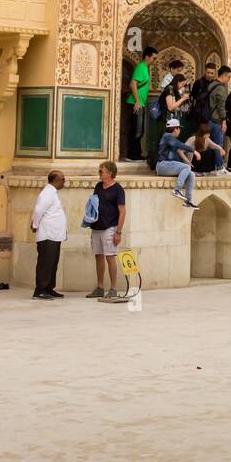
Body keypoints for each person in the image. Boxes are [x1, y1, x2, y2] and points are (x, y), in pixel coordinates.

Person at [86, 161, 127, 300]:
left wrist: (118, 232)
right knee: (98, 256)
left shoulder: (118, 189)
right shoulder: (98, 186)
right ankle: (100, 287)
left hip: (110, 227)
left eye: (101, 171)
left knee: (110, 257)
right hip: (96, 226)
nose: (99, 173)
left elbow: (122, 212)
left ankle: (113, 288)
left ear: (109, 173)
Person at [30, 169, 67, 299]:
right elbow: (38, 210)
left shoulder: (53, 193)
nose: (64, 182)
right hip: (47, 235)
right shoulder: (47, 193)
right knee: (45, 263)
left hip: (55, 235)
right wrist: (35, 225)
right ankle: (40, 290)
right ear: (56, 180)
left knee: (52, 263)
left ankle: (49, 288)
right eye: (63, 179)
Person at [156, 116, 200, 206]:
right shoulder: (168, 136)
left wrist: (188, 161)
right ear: (175, 129)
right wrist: (194, 151)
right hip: (162, 165)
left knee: (190, 173)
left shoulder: (170, 139)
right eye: (179, 128)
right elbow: (179, 145)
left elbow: (179, 150)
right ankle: (177, 190)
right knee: (186, 167)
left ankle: (188, 200)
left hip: (168, 166)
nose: (180, 131)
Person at [126, 44, 157, 160]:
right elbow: (132, 84)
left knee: (139, 130)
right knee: (136, 130)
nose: (154, 61)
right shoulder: (141, 67)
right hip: (136, 103)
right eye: (153, 58)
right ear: (147, 57)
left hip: (140, 103)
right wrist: (138, 101)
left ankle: (137, 154)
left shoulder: (144, 68)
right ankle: (132, 155)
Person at [190, 61, 219, 131]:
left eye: (212, 73)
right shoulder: (198, 82)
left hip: (213, 116)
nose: (209, 75)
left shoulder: (216, 83)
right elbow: (193, 96)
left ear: (215, 73)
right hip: (201, 115)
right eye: (208, 72)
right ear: (205, 72)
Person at [208, 66, 231, 150]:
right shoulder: (220, 88)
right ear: (224, 75)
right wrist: (224, 121)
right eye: (229, 77)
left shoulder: (211, 84)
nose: (229, 79)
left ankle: (211, 163)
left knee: (209, 145)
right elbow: (221, 106)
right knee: (218, 147)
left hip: (208, 118)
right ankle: (219, 163)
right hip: (216, 120)